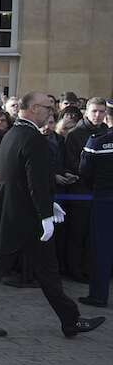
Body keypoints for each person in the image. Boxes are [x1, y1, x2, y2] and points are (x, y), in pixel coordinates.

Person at [0, 93, 105, 338]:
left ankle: (68, 319)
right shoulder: (32, 138)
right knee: (39, 270)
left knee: (24, 269)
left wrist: (48, 207)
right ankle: (69, 320)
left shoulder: (12, 134)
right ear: (32, 109)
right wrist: (45, 213)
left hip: (12, 213)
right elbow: (36, 182)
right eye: (47, 108)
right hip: (28, 218)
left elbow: (21, 179)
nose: (51, 113)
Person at [63, 98, 108, 282]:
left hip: (101, 192)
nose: (98, 115)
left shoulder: (107, 132)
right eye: (95, 111)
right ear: (87, 112)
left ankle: (91, 269)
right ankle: (74, 269)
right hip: (80, 191)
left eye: (101, 112)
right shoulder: (75, 134)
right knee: (77, 233)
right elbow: (72, 163)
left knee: (95, 235)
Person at [79, 124, 113, 308]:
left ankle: (98, 295)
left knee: (101, 248)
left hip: (104, 198)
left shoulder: (98, 141)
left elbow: (84, 170)